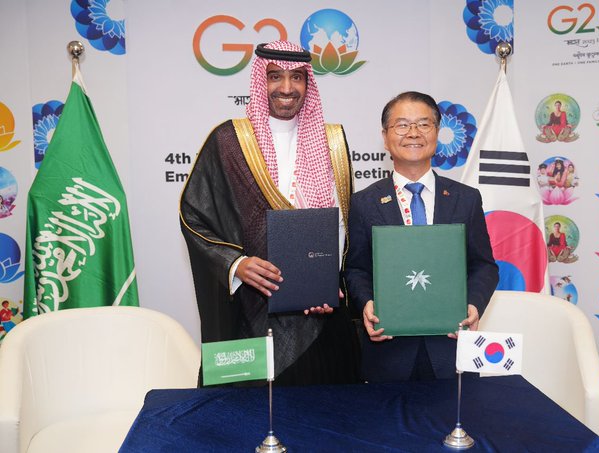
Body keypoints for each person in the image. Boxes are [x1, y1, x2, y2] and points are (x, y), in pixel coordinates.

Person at [180, 40, 359, 386]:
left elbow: (342, 224)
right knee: (250, 413)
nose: (287, 88)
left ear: (308, 83)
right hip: (251, 310)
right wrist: (236, 264)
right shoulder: (229, 140)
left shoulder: (332, 142)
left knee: (326, 411)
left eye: (297, 77)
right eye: (275, 76)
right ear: (260, 80)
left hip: (321, 316)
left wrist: (327, 284)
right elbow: (193, 215)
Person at [343, 91, 499, 382]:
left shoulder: (465, 199)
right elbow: (356, 269)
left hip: (451, 348)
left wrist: (474, 305)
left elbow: (484, 265)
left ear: (437, 133)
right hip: (388, 352)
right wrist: (366, 303)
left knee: (457, 413)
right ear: (385, 137)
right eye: (402, 125)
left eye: (424, 124)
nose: (413, 133)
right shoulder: (363, 203)